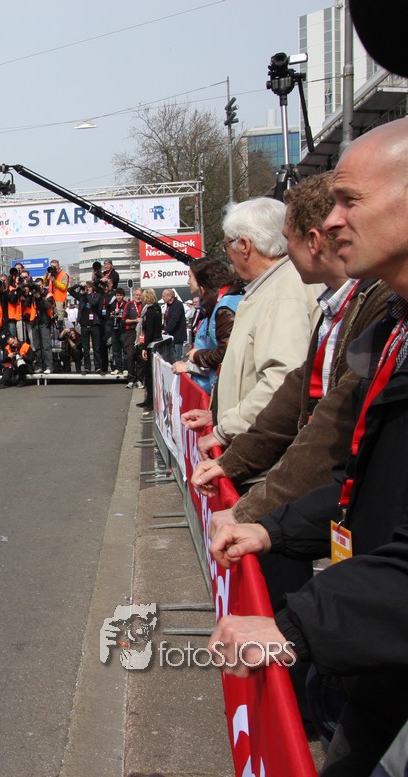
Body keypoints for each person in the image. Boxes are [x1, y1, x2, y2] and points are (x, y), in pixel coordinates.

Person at [206, 118, 408, 776]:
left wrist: (296, 626)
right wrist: (272, 527)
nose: (334, 221)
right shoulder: (391, 327)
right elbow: (360, 482)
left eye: (351, 201)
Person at [185, 198, 323, 458]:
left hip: (266, 453)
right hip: (259, 441)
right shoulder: (275, 287)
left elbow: (282, 381)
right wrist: (219, 415)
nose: (228, 255)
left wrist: (225, 429)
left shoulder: (283, 294)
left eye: (227, 245)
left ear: (245, 246)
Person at [170, 258, 243, 394]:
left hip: (224, 389)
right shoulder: (217, 305)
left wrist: (197, 356)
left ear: (201, 280)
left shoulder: (225, 308)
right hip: (216, 386)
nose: (188, 281)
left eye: (190, 277)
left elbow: (226, 354)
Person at [135, 289, 162, 410]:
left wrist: (144, 347)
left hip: (151, 345)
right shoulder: (156, 309)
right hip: (154, 343)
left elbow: (149, 331)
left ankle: (150, 400)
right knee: (150, 373)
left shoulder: (150, 311)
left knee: (149, 373)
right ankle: (150, 399)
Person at [123, 287, 146, 388]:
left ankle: (140, 379)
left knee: (140, 356)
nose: (138, 297)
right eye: (136, 295)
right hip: (131, 332)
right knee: (130, 355)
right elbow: (124, 320)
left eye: (139, 295)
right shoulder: (129, 304)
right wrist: (134, 320)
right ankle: (131, 379)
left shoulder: (144, 305)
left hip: (141, 333)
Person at [160, 288, 188, 363]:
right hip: (170, 336)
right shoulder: (168, 305)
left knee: (176, 359)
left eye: (163, 296)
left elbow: (174, 319)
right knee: (170, 359)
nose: (162, 298)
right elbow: (166, 319)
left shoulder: (177, 304)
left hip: (177, 337)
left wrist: (166, 330)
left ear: (169, 297)